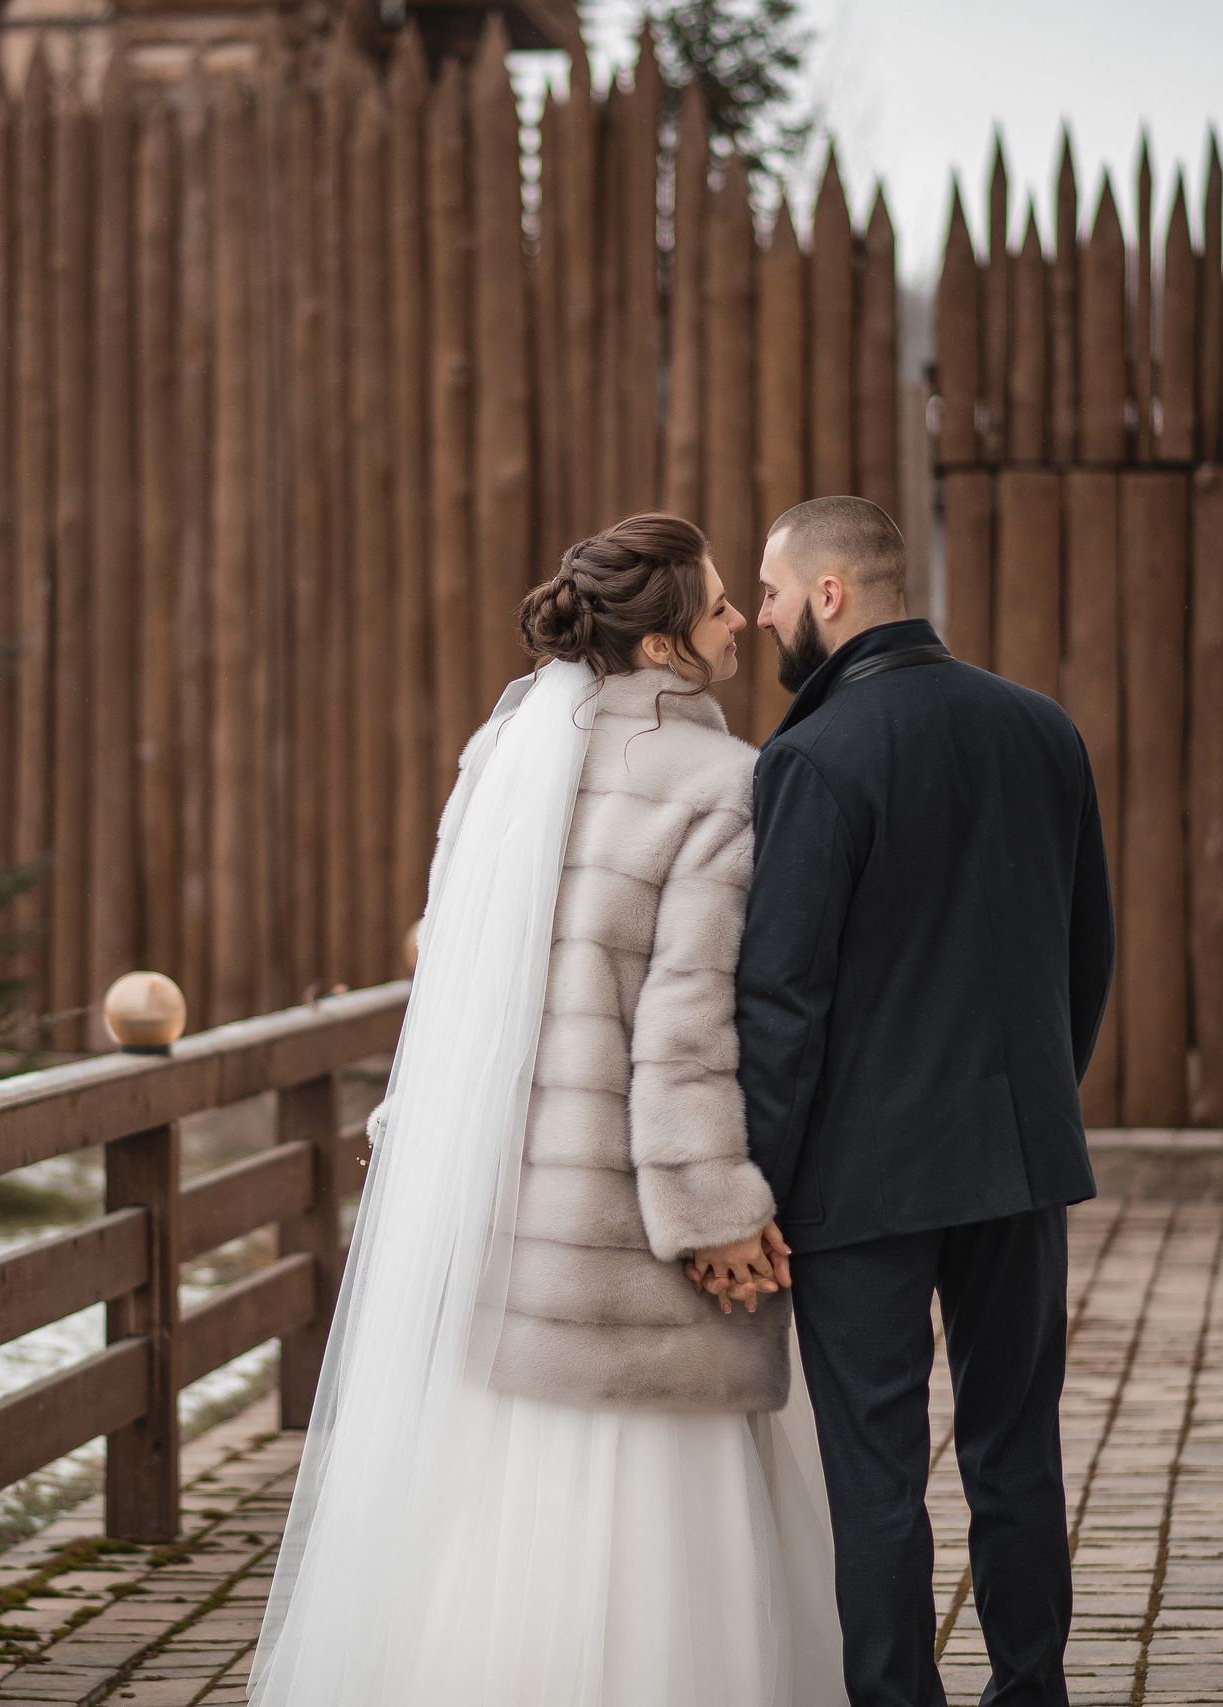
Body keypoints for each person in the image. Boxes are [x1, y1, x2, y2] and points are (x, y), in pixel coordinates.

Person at [252, 513, 844, 1707]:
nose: (742, 620)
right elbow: (683, 1031)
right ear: (667, 645)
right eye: (719, 606)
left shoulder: (501, 759)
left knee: (511, 1520)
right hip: (629, 1239)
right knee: (657, 1541)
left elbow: (453, 979)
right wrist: (713, 1215)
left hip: (509, 1215)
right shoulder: (723, 784)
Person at [723, 494, 1115, 1707]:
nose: (764, 617)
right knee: (1016, 1450)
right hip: (1016, 1162)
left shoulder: (811, 757)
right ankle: (1031, 1691)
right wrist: (1033, 1105)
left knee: (875, 1474)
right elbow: (1086, 953)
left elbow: (781, 1000)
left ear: (829, 594)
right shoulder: (1041, 728)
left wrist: (754, 1184)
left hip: (860, 1185)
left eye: (772, 593)